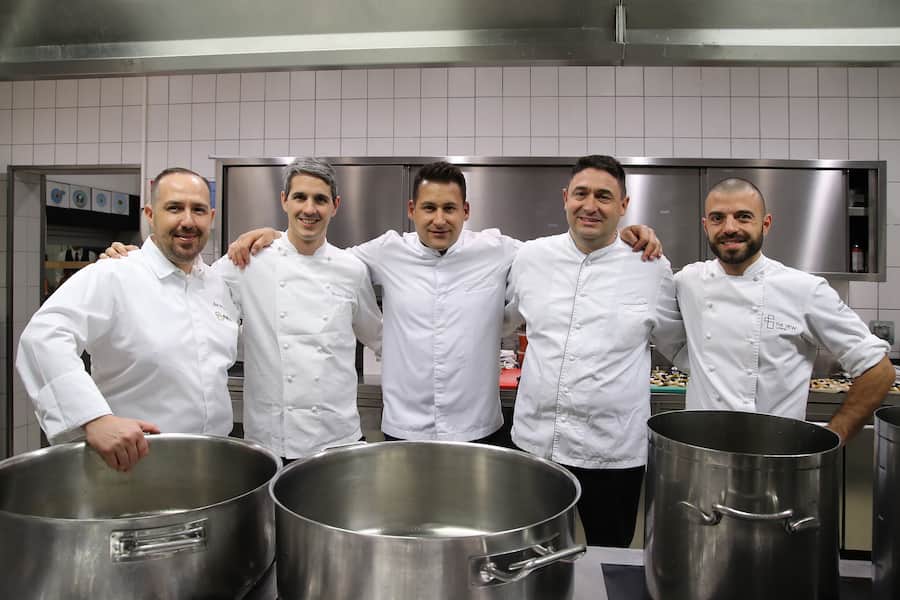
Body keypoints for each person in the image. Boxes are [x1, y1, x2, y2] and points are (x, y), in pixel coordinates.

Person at [226, 161, 663, 444]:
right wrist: (273, 237)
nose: (440, 219)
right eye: (429, 208)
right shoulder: (383, 251)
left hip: (479, 430)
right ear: (412, 209)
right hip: (403, 431)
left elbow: (566, 253)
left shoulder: (500, 250)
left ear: (467, 211)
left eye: (450, 209)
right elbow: (321, 261)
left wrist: (627, 235)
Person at [504, 155, 685, 547]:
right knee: (532, 556)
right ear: (565, 198)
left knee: (610, 558)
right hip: (537, 444)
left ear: (624, 205)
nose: (590, 205)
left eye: (604, 196)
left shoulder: (651, 266)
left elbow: (679, 346)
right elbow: (503, 319)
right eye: (581, 194)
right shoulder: (531, 258)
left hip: (613, 452)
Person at [16, 167, 239, 472]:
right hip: (133, 464)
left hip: (211, 462)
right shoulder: (114, 274)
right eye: (174, 208)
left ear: (211, 218)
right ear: (150, 214)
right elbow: (42, 336)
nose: (187, 221)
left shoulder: (215, 285)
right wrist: (93, 418)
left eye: (198, 210)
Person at [675, 177, 894, 443]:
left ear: (765, 224)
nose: (729, 228)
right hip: (703, 454)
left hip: (777, 460)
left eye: (743, 217)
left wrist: (832, 439)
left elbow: (879, 370)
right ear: (706, 226)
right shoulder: (688, 281)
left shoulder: (804, 290)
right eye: (717, 218)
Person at [213, 159, 382, 460]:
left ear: (335, 205)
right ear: (284, 201)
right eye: (300, 197)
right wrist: (132, 258)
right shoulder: (249, 260)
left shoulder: (352, 270)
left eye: (320, 199)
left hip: (337, 437)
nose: (309, 209)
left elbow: (378, 336)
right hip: (271, 438)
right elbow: (191, 281)